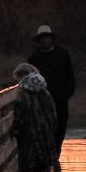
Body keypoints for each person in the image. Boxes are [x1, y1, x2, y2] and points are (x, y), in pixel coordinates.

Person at [11, 63, 57, 172]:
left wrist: (15, 130)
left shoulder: (21, 95)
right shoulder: (45, 92)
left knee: (25, 164)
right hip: (43, 134)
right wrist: (50, 130)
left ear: (22, 77)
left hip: (26, 135)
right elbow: (53, 114)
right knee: (38, 165)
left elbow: (19, 116)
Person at [27, 24, 75, 158]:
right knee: (44, 128)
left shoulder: (62, 54)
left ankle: (56, 151)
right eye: (42, 38)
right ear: (39, 40)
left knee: (60, 127)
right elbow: (29, 79)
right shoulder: (34, 58)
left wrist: (67, 94)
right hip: (42, 100)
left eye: (47, 38)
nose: (45, 40)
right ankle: (47, 154)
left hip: (60, 99)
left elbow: (70, 76)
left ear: (51, 39)